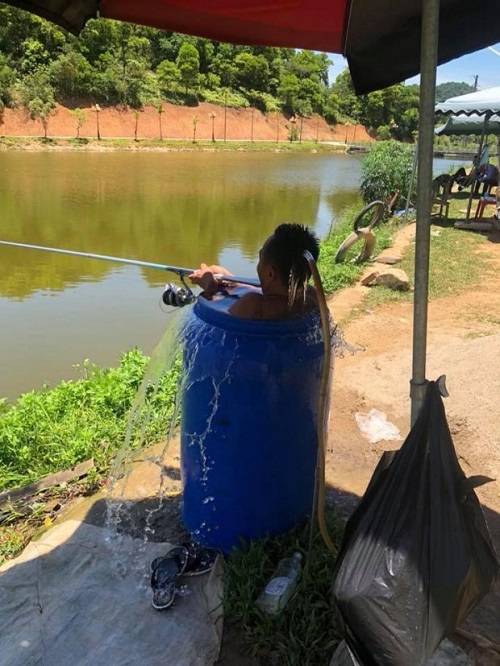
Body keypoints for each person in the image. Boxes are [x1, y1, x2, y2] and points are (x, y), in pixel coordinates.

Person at [189, 223, 320, 320]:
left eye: (260, 257)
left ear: (270, 273)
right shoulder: (310, 298)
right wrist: (232, 282)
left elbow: (219, 328)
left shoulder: (253, 305)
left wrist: (210, 288)